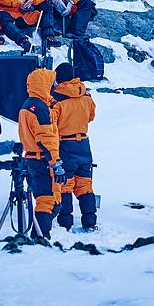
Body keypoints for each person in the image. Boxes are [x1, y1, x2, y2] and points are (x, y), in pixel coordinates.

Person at [18, 67, 67, 240]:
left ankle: (39, 234)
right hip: (42, 160)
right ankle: (41, 237)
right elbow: (46, 138)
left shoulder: (28, 104)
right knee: (47, 200)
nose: (53, 86)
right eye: (51, 83)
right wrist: (55, 163)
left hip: (32, 158)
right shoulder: (40, 108)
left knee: (42, 198)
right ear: (44, 84)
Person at [50, 63, 97, 231]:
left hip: (65, 145)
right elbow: (91, 116)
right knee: (85, 184)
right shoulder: (86, 95)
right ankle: (90, 222)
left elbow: (51, 123)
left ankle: (65, 224)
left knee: (65, 184)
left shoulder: (57, 99)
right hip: (84, 144)